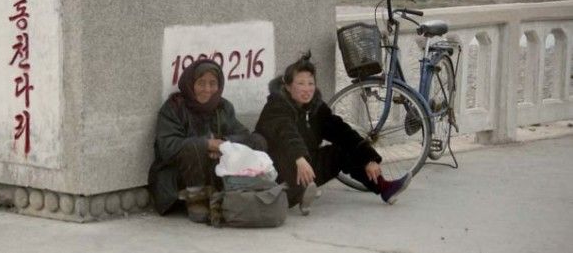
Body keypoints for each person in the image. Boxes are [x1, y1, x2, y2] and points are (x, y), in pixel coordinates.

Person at [254, 52, 411, 215]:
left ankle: (384, 187)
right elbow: (286, 133)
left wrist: (368, 158)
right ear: (287, 86)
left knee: (341, 151)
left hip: (306, 167)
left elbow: (341, 131)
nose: (307, 89)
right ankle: (292, 193)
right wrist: (299, 157)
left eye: (310, 83)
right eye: (300, 83)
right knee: (289, 156)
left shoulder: (316, 108)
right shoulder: (276, 106)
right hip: (277, 170)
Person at [148, 58, 266, 223]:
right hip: (179, 176)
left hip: (215, 171)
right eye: (201, 83)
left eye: (212, 84)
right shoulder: (174, 107)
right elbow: (167, 147)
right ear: (191, 84)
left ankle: (244, 192)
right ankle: (197, 199)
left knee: (257, 141)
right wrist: (207, 144)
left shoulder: (223, 107)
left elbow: (243, 135)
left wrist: (223, 144)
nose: (207, 89)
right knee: (195, 146)